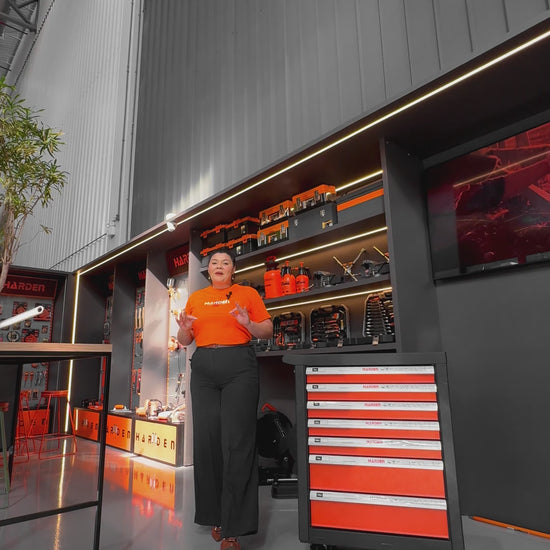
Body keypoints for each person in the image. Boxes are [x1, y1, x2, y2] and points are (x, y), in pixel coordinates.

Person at [176, 247, 273, 550]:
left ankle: (234, 528)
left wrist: (247, 323)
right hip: (204, 368)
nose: (219, 266)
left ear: (233, 268)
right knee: (207, 442)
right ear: (208, 270)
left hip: (238, 368)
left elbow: (267, 330)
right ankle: (216, 515)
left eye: (225, 262)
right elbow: (185, 340)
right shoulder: (196, 298)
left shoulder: (247, 294)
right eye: (214, 262)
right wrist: (183, 330)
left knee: (237, 443)